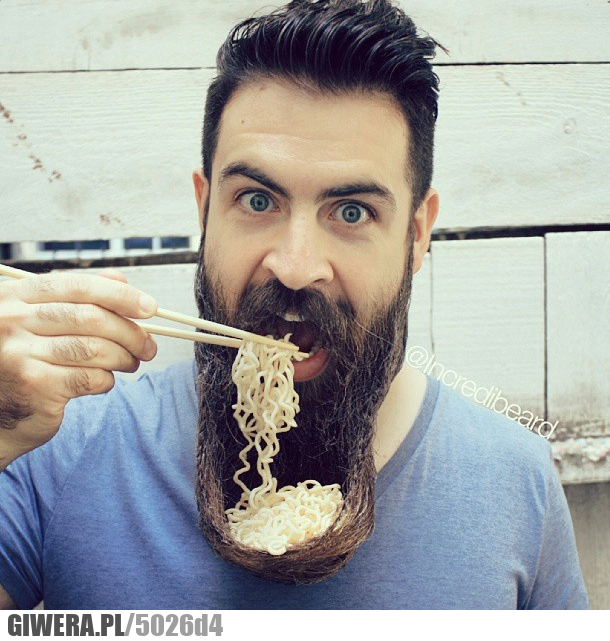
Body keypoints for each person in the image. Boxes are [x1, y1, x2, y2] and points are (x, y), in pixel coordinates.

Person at [0, 0, 587, 609]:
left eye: (352, 212)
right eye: (258, 201)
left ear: (416, 236)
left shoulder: (516, 481)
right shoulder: (56, 444)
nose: (296, 265)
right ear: (205, 210)